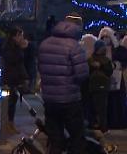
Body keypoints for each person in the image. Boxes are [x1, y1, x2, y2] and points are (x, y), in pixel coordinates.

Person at [38, 13, 89, 154]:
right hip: (70, 100)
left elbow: (41, 69)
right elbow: (82, 75)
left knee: (55, 139)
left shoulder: (45, 43)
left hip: (49, 100)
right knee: (77, 138)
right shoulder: (74, 46)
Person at [1, 26, 30, 135]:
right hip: (11, 78)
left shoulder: (16, 47)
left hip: (16, 78)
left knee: (13, 102)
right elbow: (14, 62)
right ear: (15, 36)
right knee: (10, 103)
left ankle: (10, 123)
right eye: (20, 35)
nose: (22, 38)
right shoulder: (10, 48)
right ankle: (7, 124)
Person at [88, 39, 114, 134]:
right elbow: (109, 71)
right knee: (100, 107)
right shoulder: (103, 60)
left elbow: (109, 71)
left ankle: (100, 125)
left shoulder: (92, 59)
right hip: (97, 85)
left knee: (100, 107)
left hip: (97, 85)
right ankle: (100, 126)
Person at [108, 41, 127, 129]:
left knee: (118, 99)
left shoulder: (119, 50)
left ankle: (119, 120)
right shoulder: (103, 49)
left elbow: (126, 61)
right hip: (108, 78)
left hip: (117, 77)